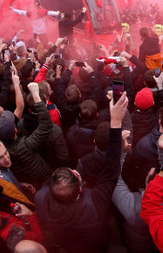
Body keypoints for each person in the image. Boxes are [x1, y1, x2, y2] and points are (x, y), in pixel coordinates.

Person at [34, 92, 127, 252]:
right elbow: (111, 169)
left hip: (70, 245)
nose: (76, 171)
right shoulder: (95, 202)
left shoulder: (40, 199)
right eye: (74, 173)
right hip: (96, 244)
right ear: (80, 188)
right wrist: (116, 122)